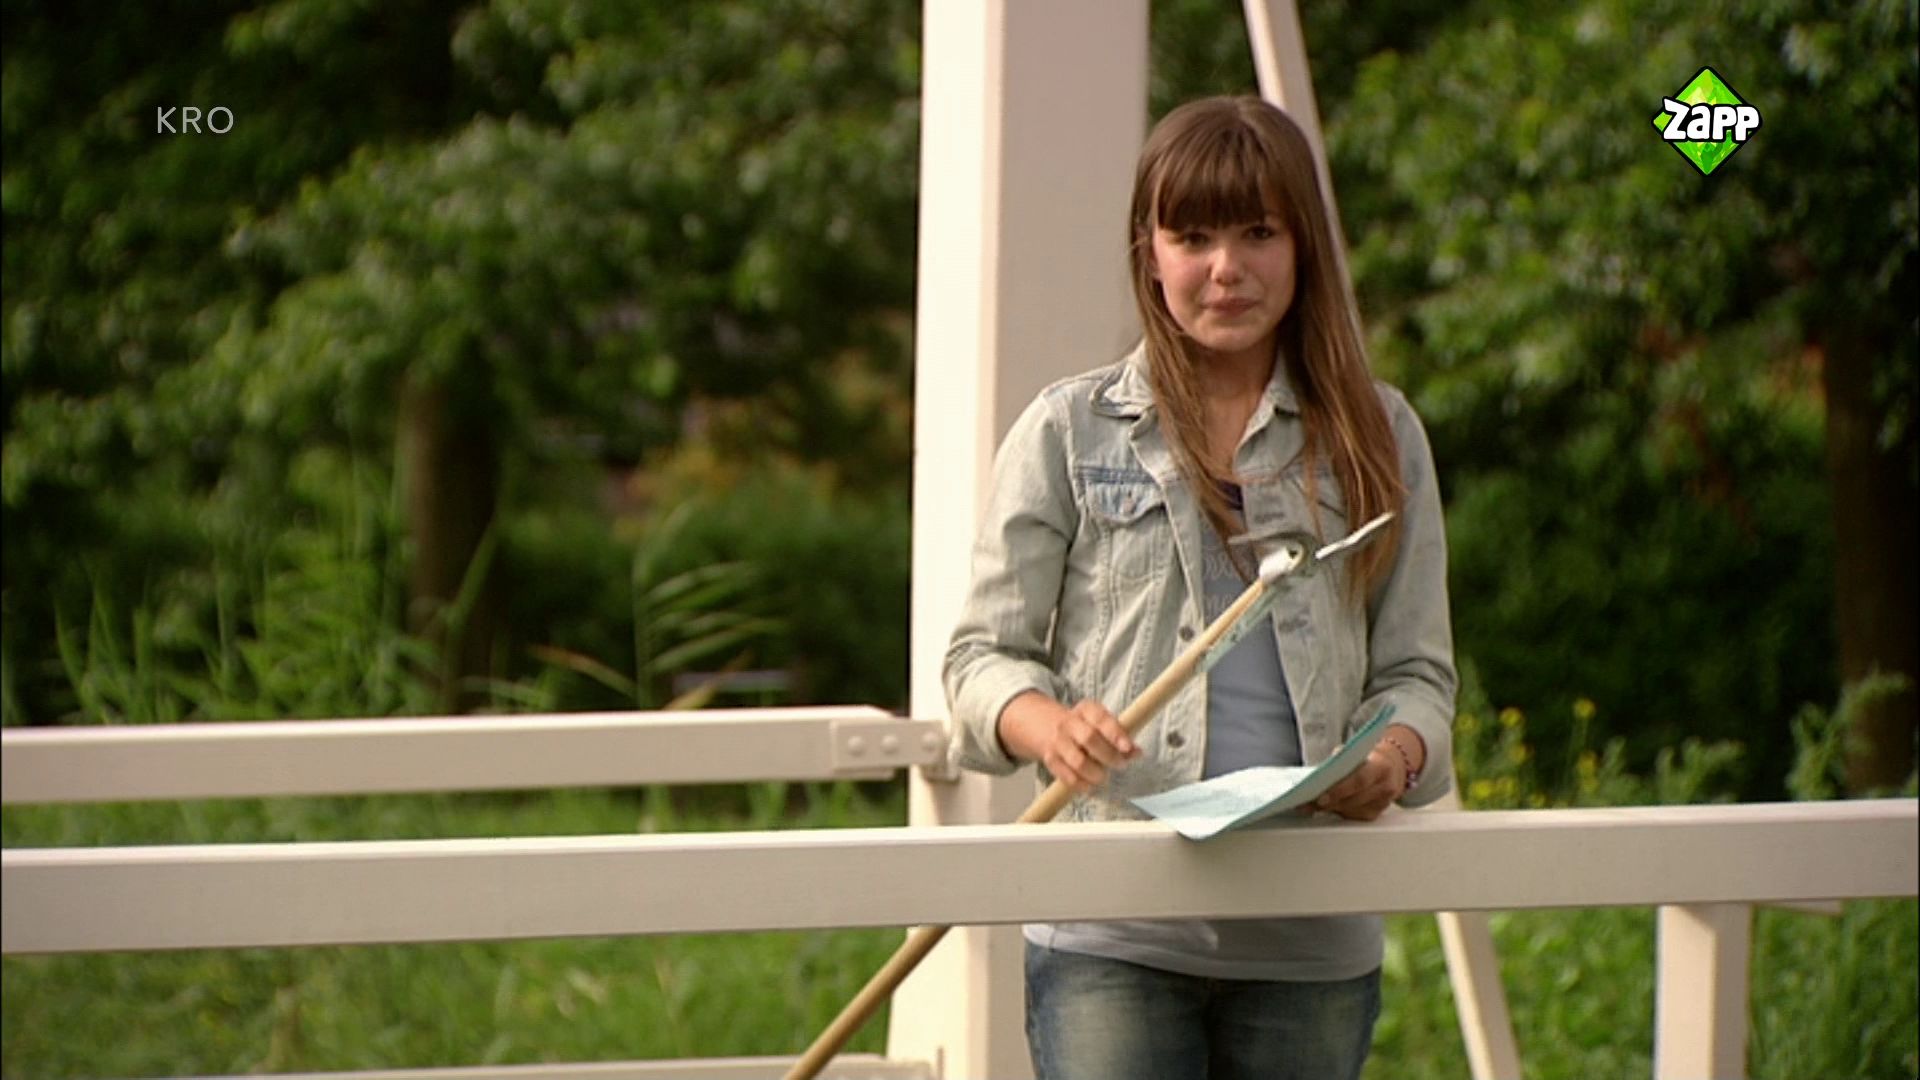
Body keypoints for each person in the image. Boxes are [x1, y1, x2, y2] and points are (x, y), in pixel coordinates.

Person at [943, 95, 1457, 1080]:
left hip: (1311, 932)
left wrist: (1393, 756)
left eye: (1259, 232)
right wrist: (1049, 728)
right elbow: (979, 660)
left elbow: (1419, 673)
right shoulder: (1067, 429)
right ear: (1150, 253)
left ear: (1303, 247)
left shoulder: (1380, 434)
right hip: (1110, 929)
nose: (1227, 268)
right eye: (1194, 237)